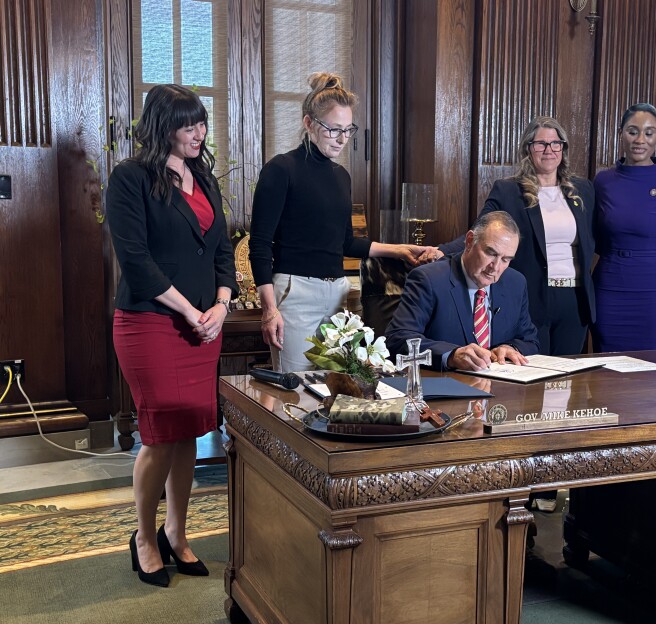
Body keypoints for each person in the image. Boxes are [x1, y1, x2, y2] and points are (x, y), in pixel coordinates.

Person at [107, 84, 238, 587]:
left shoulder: (203, 176)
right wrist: (190, 311)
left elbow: (222, 247)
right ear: (162, 127)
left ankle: (177, 533)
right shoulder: (130, 178)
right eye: (188, 126)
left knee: (189, 432)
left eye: (202, 123)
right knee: (160, 434)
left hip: (205, 324)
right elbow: (136, 262)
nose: (199, 134)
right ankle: (143, 536)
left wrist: (222, 307)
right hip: (151, 323)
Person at [249, 72, 425, 372]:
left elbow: (345, 242)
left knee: (338, 390)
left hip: (338, 296)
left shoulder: (341, 177)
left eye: (348, 129)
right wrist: (268, 309)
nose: (342, 139)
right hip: (295, 293)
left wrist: (398, 250)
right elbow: (260, 244)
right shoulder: (281, 169)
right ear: (309, 124)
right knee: (296, 392)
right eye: (333, 129)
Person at [427, 116, 595, 357]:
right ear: (528, 148)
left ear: (563, 148)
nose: (549, 150)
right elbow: (481, 231)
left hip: (575, 300)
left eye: (555, 143)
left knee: (568, 379)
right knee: (533, 374)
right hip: (535, 297)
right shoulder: (508, 190)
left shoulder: (583, 190)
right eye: (540, 144)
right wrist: (442, 251)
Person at [591, 103, 656, 352]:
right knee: (606, 376)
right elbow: (592, 242)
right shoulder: (602, 181)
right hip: (609, 291)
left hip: (654, 293)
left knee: (652, 378)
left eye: (649, 133)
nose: (640, 140)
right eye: (632, 131)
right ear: (620, 133)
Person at [386, 211, 540, 371]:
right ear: (469, 241)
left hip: (500, 388)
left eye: (506, 259)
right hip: (446, 387)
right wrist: (451, 355)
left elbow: (530, 340)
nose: (496, 267)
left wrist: (511, 348)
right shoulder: (429, 279)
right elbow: (398, 339)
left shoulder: (515, 282)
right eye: (490, 253)